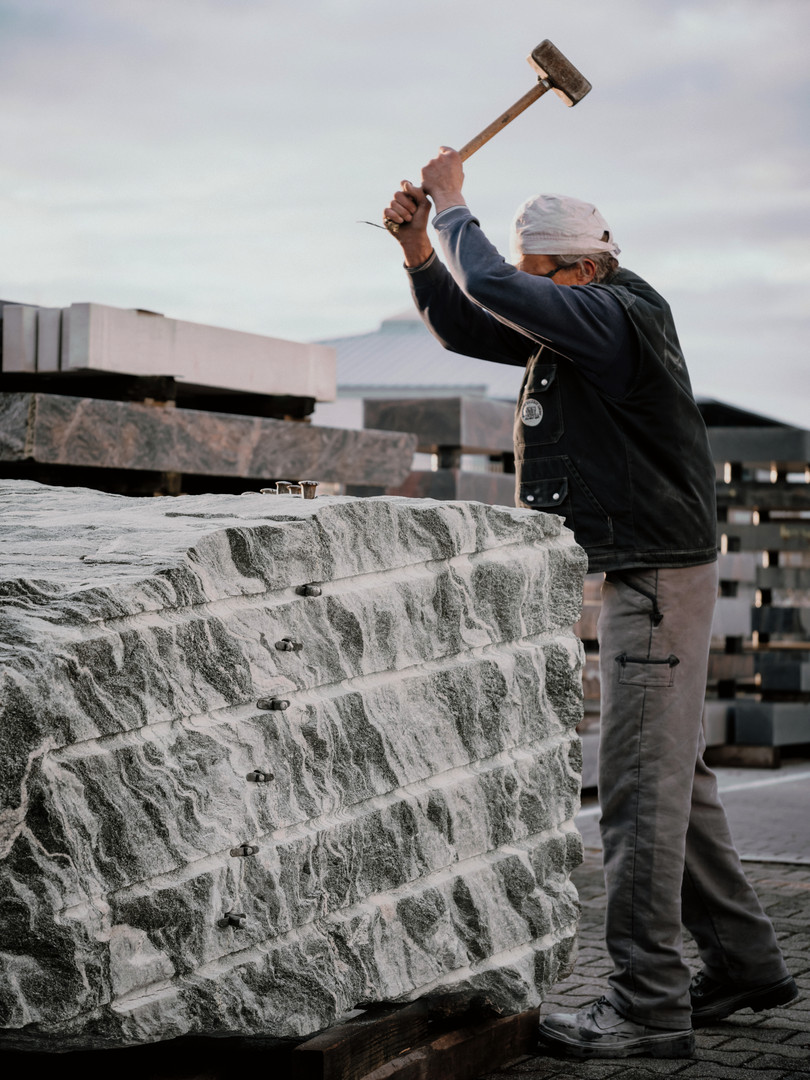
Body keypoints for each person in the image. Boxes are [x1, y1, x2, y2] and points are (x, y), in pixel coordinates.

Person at [383, 147, 798, 1060]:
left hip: (657, 577)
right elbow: (470, 318)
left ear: (577, 268)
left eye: (537, 275)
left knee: (637, 793)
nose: (525, 291)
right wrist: (418, 251)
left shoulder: (610, 318)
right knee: (673, 782)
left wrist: (450, 204)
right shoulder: (582, 316)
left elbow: (492, 282)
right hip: (652, 568)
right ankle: (745, 963)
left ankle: (649, 1006)